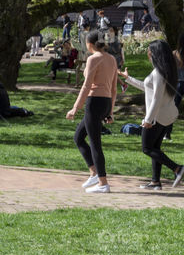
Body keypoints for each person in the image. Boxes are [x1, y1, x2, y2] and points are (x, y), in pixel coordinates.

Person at [119, 40, 184, 190]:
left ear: (156, 54)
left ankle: (178, 169)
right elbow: (148, 88)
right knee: (155, 148)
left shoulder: (159, 73)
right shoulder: (166, 70)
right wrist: (128, 78)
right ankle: (155, 182)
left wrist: (148, 120)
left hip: (157, 117)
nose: (148, 54)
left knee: (147, 148)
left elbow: (156, 98)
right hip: (165, 116)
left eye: (150, 52)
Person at [66, 30, 118, 193]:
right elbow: (114, 88)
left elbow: (87, 85)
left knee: (95, 144)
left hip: (94, 102)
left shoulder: (92, 58)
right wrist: (110, 110)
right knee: (79, 137)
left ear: (90, 44)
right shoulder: (112, 59)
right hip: (105, 102)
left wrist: (76, 107)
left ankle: (103, 183)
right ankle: (94, 173)